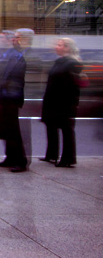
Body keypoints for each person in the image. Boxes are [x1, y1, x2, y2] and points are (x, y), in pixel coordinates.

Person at [0, 28, 32, 173]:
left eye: (0, 38)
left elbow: (12, 80)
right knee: (7, 129)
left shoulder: (15, 56)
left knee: (13, 130)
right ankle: (10, 157)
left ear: (8, 40)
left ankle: (20, 160)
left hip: (8, 100)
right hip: (3, 98)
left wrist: (3, 96)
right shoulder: (5, 55)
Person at [41, 38, 82, 168]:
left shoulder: (73, 63)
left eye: (59, 45)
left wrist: (73, 103)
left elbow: (75, 85)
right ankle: (51, 155)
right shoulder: (59, 61)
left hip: (64, 102)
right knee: (51, 126)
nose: (56, 47)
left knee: (66, 129)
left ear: (67, 48)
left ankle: (68, 158)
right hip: (53, 100)